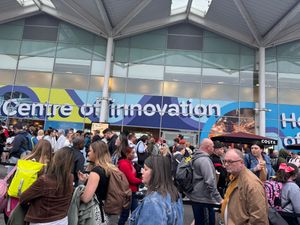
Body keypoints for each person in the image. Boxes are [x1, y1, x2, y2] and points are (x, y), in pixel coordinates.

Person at [20, 147, 74, 225]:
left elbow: (23, 198)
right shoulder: (70, 178)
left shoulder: (44, 180)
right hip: (62, 219)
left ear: (55, 159)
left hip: (42, 220)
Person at [129, 155, 184, 225]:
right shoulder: (175, 193)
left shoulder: (153, 202)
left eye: (146, 169)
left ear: (156, 173)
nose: (142, 172)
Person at [221, 149, 268, 225]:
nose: (226, 164)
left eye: (230, 161)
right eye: (224, 161)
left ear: (241, 162)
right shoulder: (234, 176)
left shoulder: (252, 184)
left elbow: (259, 218)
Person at [187, 138, 223, 225]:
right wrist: (219, 199)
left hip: (194, 195)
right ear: (208, 147)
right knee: (205, 221)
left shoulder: (192, 156)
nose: (213, 148)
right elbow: (210, 181)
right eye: (212, 147)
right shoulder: (204, 160)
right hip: (203, 198)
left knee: (199, 220)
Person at [78, 141, 115, 222]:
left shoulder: (96, 171)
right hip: (104, 210)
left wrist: (77, 196)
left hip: (94, 213)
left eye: (90, 151)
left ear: (96, 153)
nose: (88, 153)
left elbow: (86, 198)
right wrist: (86, 180)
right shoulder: (108, 168)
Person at [118, 146, 142, 225]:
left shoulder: (128, 163)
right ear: (127, 154)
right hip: (129, 191)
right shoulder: (124, 164)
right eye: (132, 153)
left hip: (131, 191)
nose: (134, 155)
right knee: (125, 214)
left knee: (134, 212)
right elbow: (131, 179)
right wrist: (142, 181)